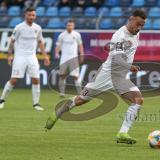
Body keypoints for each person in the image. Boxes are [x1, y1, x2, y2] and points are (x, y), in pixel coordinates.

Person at [45, 9, 146, 144]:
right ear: (131, 19)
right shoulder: (120, 36)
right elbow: (117, 60)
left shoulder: (136, 33)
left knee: (138, 100)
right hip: (106, 74)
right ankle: (60, 111)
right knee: (81, 100)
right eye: (138, 24)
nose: (139, 28)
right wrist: (129, 67)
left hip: (120, 77)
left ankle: (122, 133)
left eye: (142, 25)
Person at [0, 7, 50, 111]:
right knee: (14, 80)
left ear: (35, 16)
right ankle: (2, 100)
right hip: (20, 56)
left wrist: (45, 55)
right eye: (29, 15)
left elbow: (40, 42)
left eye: (33, 15)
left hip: (32, 56)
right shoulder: (19, 27)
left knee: (36, 79)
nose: (31, 17)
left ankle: (36, 103)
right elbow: (12, 41)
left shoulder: (38, 28)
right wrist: (9, 55)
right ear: (25, 15)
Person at [55, 19, 84, 97]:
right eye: (68, 25)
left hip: (73, 58)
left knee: (76, 76)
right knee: (62, 75)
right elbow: (58, 45)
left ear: (73, 26)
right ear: (66, 26)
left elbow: (80, 45)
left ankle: (80, 93)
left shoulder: (77, 35)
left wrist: (81, 54)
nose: (69, 27)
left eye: (71, 25)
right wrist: (56, 53)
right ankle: (62, 93)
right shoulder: (62, 35)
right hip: (64, 58)